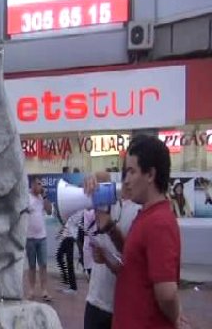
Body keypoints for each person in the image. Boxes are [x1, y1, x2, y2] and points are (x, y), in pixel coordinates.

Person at [94, 135, 183, 328]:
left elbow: (166, 293)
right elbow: (135, 267)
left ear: (150, 175)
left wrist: (176, 318)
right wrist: (109, 237)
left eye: (131, 172)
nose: (125, 181)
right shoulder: (146, 216)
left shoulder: (158, 222)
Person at [82, 169, 141, 329]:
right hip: (95, 300)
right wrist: (91, 178)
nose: (128, 179)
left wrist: (107, 257)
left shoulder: (141, 211)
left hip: (121, 306)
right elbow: (101, 176)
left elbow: (131, 256)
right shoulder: (108, 198)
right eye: (128, 170)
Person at [25, 177, 52, 300]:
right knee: (31, 266)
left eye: (41, 184)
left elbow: (49, 211)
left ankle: (44, 290)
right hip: (29, 237)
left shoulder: (42, 198)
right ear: (32, 185)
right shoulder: (26, 198)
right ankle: (31, 290)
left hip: (42, 237)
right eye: (38, 184)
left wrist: (45, 197)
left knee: (43, 265)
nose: (40, 186)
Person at [55, 210, 82, 294]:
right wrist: (61, 232)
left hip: (70, 237)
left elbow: (74, 221)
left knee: (68, 260)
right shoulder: (73, 208)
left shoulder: (80, 210)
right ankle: (69, 283)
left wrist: (69, 214)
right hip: (67, 236)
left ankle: (73, 287)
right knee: (60, 257)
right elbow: (67, 222)